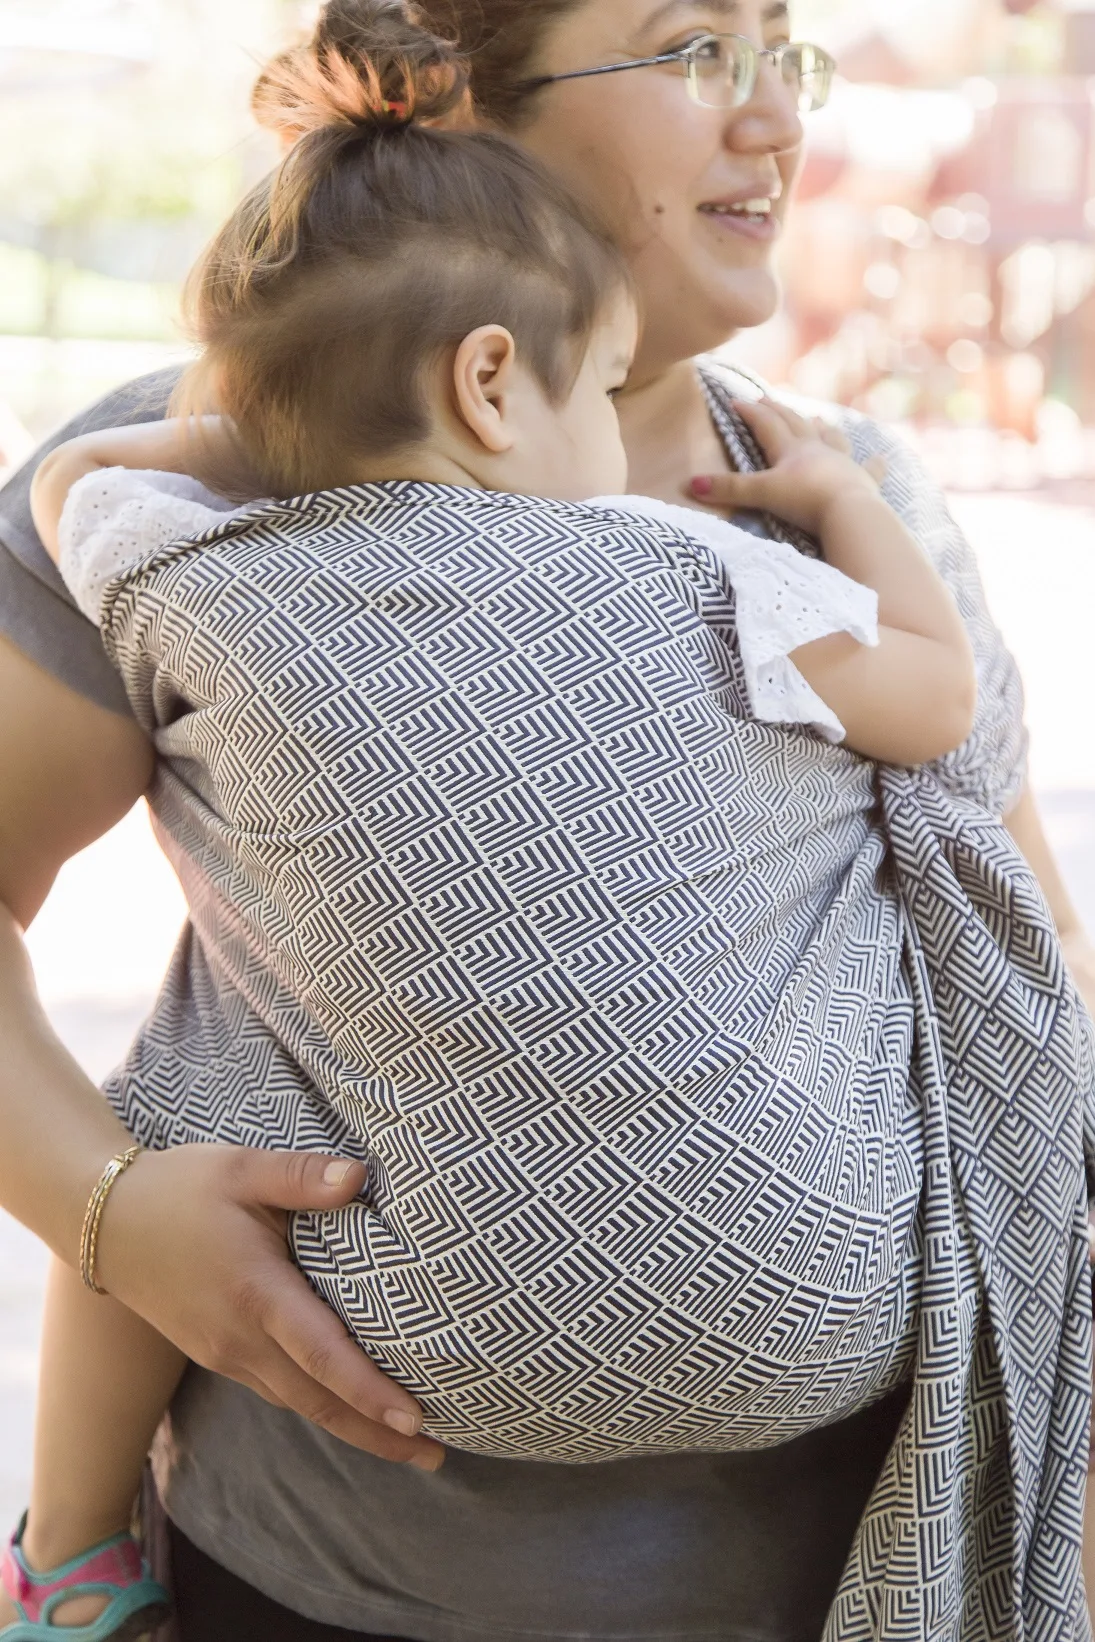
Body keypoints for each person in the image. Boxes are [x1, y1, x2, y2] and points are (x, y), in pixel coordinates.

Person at [0, 2, 1091, 1640]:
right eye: (693, 50)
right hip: (317, 1587)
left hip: (840, 1580)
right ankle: (68, 1557)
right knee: (162, 1096)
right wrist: (109, 1209)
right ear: (465, 97)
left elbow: (1028, 964)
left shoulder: (828, 492)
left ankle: (64, 1553)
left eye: (781, 51)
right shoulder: (230, 509)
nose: (775, 120)